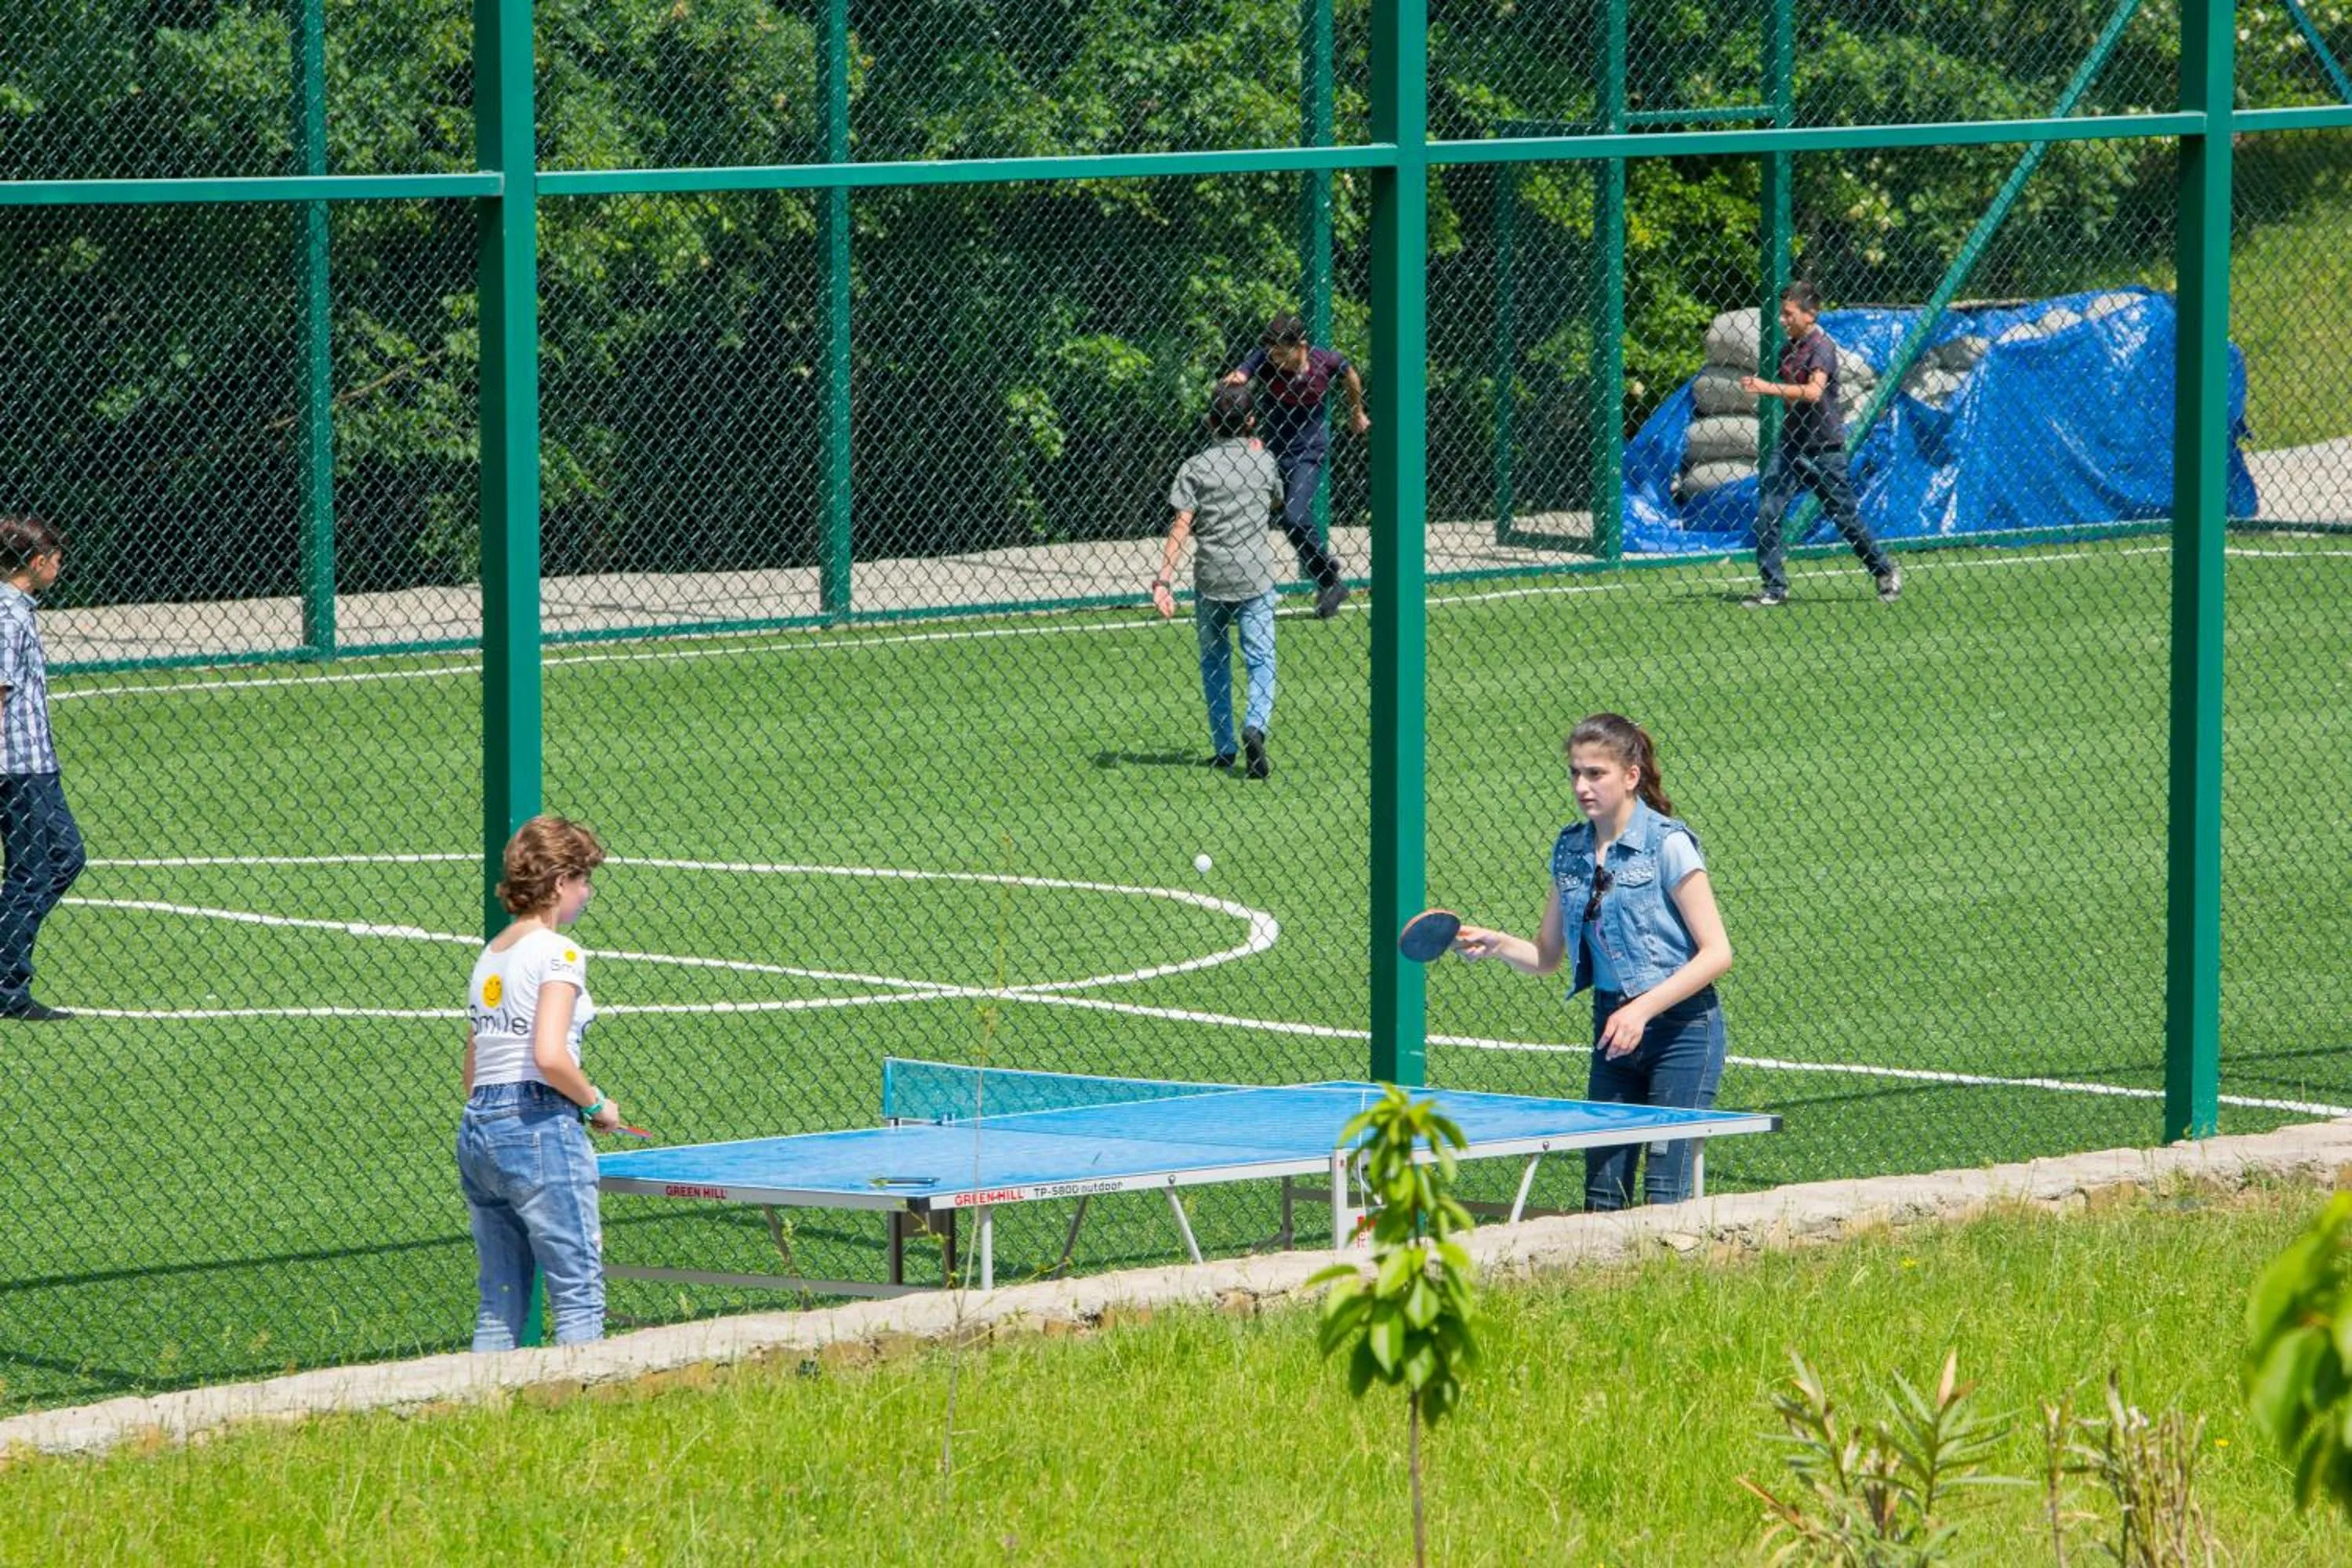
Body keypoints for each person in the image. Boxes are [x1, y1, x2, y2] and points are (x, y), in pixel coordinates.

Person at [1451, 713, 1734, 1209]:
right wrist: (1497, 943)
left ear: (1631, 776)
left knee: (1665, 1194)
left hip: (1682, 1033)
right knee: (1603, 1195)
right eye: (1575, 773)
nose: (1582, 786)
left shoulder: (1668, 844)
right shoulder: (1571, 850)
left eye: (1595, 774)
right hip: (1613, 1032)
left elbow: (1717, 954)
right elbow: (1546, 956)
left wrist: (1642, 1010)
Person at [458, 815, 622, 1349]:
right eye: (582, 881)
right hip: (538, 1124)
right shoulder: (560, 954)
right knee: (578, 1291)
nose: (587, 893)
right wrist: (596, 1103)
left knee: (499, 1298)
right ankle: (583, 1411)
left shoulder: (492, 955)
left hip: (480, 1129)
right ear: (558, 884)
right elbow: (550, 1055)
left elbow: (473, 1069)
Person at [1152, 382, 1287, 779]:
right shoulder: (1264, 461)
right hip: (1255, 575)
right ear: (1252, 422)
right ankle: (1256, 724)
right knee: (1261, 659)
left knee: (1215, 661)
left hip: (1211, 576)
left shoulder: (1196, 467)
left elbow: (1181, 524)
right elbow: (1277, 500)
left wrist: (1164, 579)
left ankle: (1224, 747)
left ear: (1211, 422)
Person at [1740, 281, 1901, 608]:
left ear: (1810, 314)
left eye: (1788, 313)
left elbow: (1814, 392)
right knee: (1768, 512)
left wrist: (1767, 388)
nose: (1782, 320)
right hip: (1790, 443)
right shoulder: (1787, 350)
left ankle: (1884, 570)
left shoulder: (1821, 347)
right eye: (1781, 314)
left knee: (1844, 518)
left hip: (1824, 446)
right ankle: (1774, 588)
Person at [1221, 310, 1369, 619]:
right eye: (1271, 353)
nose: (1274, 359)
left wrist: (1356, 412)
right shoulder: (1263, 359)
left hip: (1308, 452)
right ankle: (1247, 592)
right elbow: (1241, 376)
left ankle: (1328, 578)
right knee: (1248, 515)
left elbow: (1351, 375)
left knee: (1293, 517)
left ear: (1300, 345)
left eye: (1280, 353)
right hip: (1270, 453)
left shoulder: (1325, 361)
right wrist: (1235, 381)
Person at [0, 516, 83, 1022]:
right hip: (17, 768)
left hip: (35, 764)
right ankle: (6, 985)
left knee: (65, 856)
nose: (60, 567)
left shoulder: (18, 611)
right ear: (36, 563)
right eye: (56, 559)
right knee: (36, 871)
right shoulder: (8, 618)